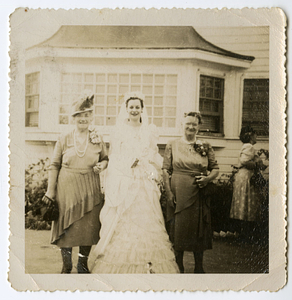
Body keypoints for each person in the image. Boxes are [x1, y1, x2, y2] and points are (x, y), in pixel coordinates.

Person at [90, 92, 179, 274]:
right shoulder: (119, 130)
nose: (134, 110)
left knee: (148, 219)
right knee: (125, 220)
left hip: (145, 181)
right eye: (131, 107)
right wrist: (128, 163)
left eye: (137, 107)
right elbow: (114, 156)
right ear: (126, 109)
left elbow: (153, 153)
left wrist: (163, 168)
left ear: (142, 109)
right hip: (126, 180)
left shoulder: (149, 130)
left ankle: (151, 265)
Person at [45, 91, 108, 274]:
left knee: (87, 229)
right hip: (67, 189)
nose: (83, 118)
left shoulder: (97, 138)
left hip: (90, 187)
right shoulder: (64, 138)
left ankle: (82, 264)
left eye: (87, 115)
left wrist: (102, 166)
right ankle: (67, 264)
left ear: (91, 117)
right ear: (73, 118)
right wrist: (51, 191)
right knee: (67, 228)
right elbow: (54, 165)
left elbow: (105, 159)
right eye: (79, 115)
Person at [162, 112, 219, 273]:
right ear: (182, 125)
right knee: (178, 227)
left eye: (195, 124)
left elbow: (215, 168)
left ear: (199, 126)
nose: (191, 127)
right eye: (188, 123)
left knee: (198, 228)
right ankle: (179, 264)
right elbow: (166, 170)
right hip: (178, 191)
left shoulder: (205, 145)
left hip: (199, 192)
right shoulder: (172, 144)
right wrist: (169, 193)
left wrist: (207, 180)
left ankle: (199, 266)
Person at [229, 126, 264, 241]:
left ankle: (244, 233)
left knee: (245, 204)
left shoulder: (247, 147)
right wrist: (257, 164)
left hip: (244, 176)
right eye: (255, 134)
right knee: (247, 203)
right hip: (246, 177)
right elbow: (244, 161)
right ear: (250, 136)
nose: (256, 136)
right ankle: (245, 234)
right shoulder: (249, 146)